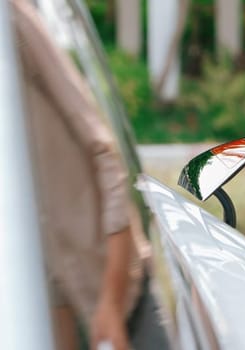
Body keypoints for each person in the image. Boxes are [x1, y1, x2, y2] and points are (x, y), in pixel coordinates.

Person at [12, 0, 168, 349]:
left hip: (119, 294)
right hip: (56, 307)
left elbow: (104, 152)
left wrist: (111, 303)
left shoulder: (12, 21)